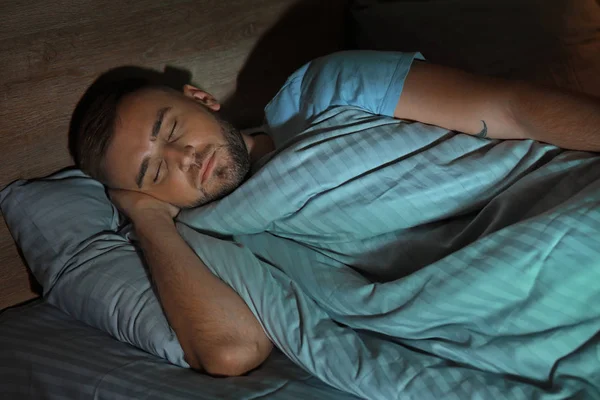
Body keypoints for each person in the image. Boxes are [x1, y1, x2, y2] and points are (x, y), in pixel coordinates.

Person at [70, 51, 600, 377]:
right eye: (154, 173)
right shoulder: (212, 234)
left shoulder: (325, 91)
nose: (185, 160)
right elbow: (232, 352)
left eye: (172, 131)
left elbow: (511, 106)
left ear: (200, 98)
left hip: (560, 201)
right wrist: (149, 220)